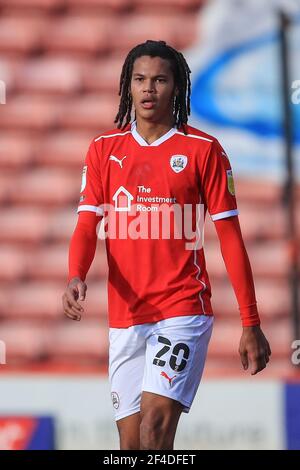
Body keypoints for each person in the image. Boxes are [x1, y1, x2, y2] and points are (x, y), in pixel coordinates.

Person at [62, 40, 271, 450]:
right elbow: (87, 226)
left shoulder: (203, 150)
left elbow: (231, 237)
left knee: (155, 430)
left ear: (176, 87)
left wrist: (250, 322)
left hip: (182, 309)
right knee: (131, 446)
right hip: (126, 316)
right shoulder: (104, 150)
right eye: (139, 80)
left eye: (159, 80)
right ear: (127, 87)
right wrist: (75, 275)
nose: (148, 89)